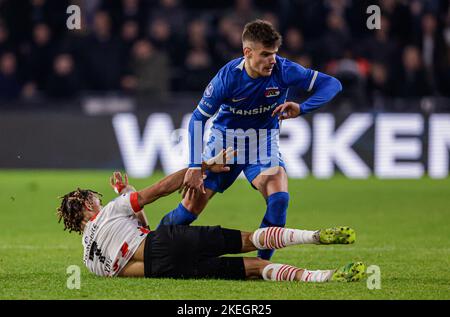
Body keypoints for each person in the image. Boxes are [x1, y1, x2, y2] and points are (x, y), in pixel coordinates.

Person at [159, 19, 343, 261]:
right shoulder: (227, 78)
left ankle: (261, 264)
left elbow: (333, 84)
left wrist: (303, 107)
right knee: (189, 211)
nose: (272, 60)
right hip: (225, 147)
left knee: (279, 199)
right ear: (248, 52)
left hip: (262, 143)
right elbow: (197, 119)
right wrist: (195, 166)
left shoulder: (284, 70)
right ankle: (153, 245)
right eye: (265, 54)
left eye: (274, 54)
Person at [57, 150, 365, 282]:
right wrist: (202, 167)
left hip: (162, 270)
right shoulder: (111, 210)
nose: (98, 198)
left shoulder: (89, 261)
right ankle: (313, 237)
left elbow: (137, 235)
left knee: (254, 269)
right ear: (87, 207)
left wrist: (125, 193)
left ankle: (322, 278)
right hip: (162, 243)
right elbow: (160, 190)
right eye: (93, 197)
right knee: (248, 240)